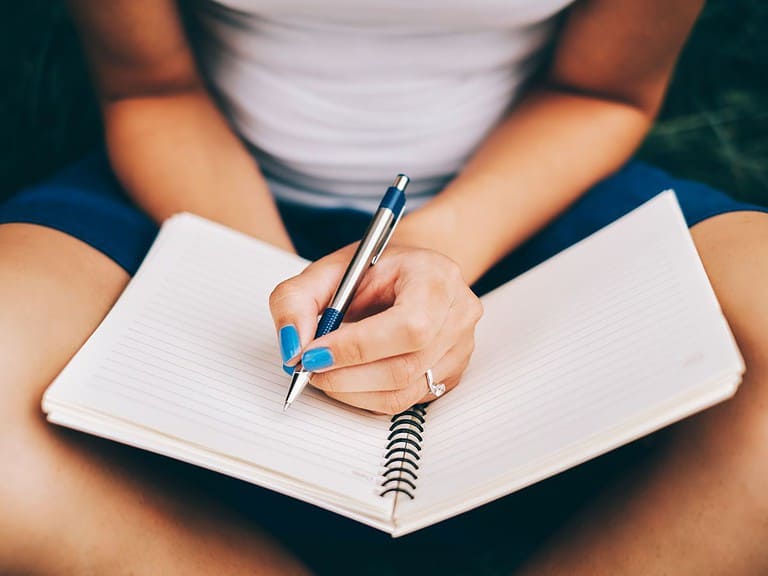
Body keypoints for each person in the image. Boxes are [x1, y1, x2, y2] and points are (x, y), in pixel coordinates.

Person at [2, 0, 768, 573]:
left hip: (539, 189)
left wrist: (433, 251)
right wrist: (270, 277)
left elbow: (605, 94)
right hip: (189, 189)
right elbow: (150, 91)